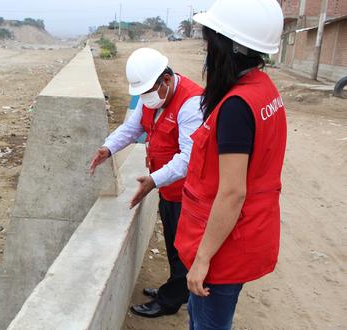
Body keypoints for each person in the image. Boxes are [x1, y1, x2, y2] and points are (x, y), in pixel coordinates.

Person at [173, 0, 286, 329]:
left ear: (229, 47)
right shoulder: (263, 90)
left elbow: (233, 192)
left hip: (222, 248)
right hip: (240, 236)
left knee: (208, 324)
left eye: (210, 41)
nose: (207, 50)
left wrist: (201, 261)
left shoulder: (237, 106)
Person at [89, 48, 203, 318]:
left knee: (183, 247)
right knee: (174, 241)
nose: (146, 98)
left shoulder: (191, 104)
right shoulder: (150, 97)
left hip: (188, 191)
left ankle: (170, 300)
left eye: (150, 91)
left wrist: (153, 179)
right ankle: (178, 287)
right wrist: (108, 148)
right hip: (168, 187)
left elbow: (189, 158)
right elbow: (132, 128)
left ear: (166, 79)